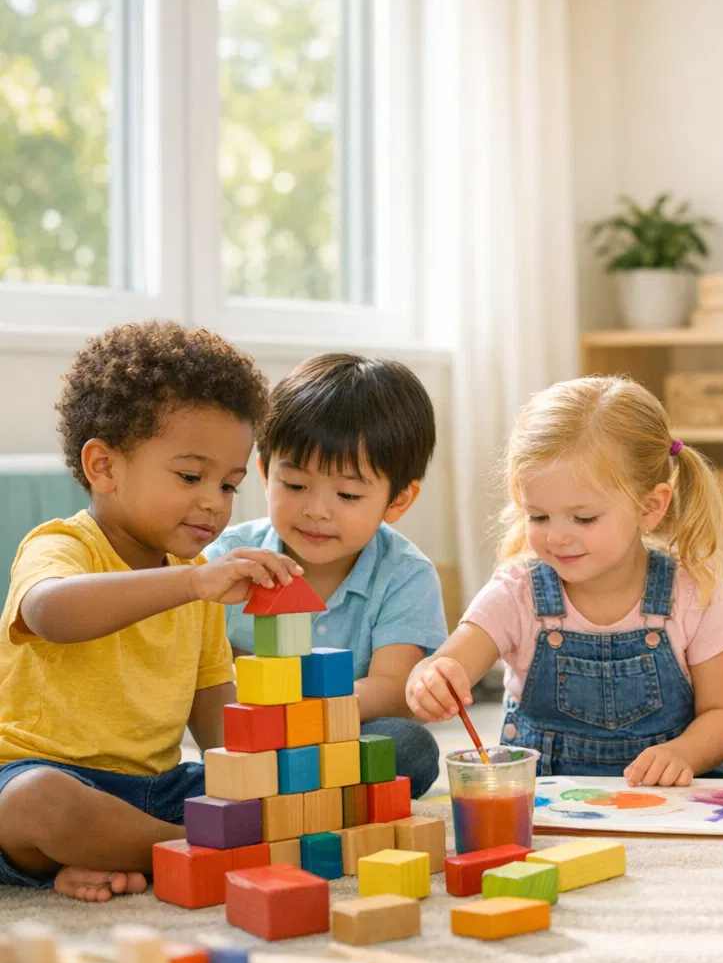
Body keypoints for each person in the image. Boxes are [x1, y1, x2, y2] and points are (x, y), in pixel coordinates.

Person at [0, 322, 298, 900]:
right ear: (104, 467)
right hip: (40, 775)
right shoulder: (61, 546)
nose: (214, 502)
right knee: (36, 805)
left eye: (230, 484)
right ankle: (189, 851)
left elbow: (216, 723)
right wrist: (192, 583)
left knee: (277, 790)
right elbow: (50, 613)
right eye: (191, 476)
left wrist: (270, 775)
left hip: (155, 786)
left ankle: (128, 850)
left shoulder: (199, 585)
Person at [406, 376, 723, 785]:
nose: (557, 536)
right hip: (551, 801)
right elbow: (446, 662)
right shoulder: (517, 591)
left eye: (584, 518)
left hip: (671, 797)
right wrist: (429, 680)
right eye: (538, 516)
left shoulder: (691, 590)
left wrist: (683, 754)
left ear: (650, 507)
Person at [207, 353, 447, 798]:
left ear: (398, 500)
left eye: (348, 494)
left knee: (408, 747)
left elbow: (395, 689)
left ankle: (302, 790)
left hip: (341, 732)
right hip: (249, 737)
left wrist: (302, 716)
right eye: (294, 486)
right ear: (264, 473)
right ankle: (287, 789)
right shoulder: (225, 560)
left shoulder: (405, 574)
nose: (316, 510)